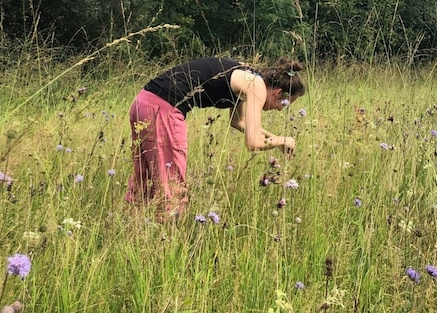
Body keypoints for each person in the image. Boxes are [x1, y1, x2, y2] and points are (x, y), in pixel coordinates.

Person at [124, 57, 305, 222]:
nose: (281, 109)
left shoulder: (248, 76)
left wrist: (275, 139)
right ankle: (166, 240)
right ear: (278, 92)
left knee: (145, 177)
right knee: (171, 186)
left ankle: (132, 226)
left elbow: (238, 122)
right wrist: (282, 140)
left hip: (144, 102)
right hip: (163, 110)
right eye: (285, 103)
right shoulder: (256, 86)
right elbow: (252, 142)